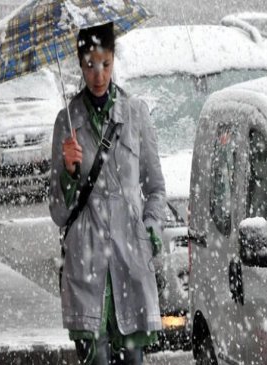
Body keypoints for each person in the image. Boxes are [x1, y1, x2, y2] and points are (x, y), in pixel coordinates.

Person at [49, 23, 166, 365]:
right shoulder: (66, 122)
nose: (98, 74)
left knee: (133, 359)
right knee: (96, 359)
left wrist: (151, 229)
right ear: (79, 64)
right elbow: (58, 211)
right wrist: (69, 174)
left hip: (131, 261)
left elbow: (155, 188)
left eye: (105, 63)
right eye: (89, 64)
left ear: (114, 60)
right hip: (87, 266)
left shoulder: (135, 114)